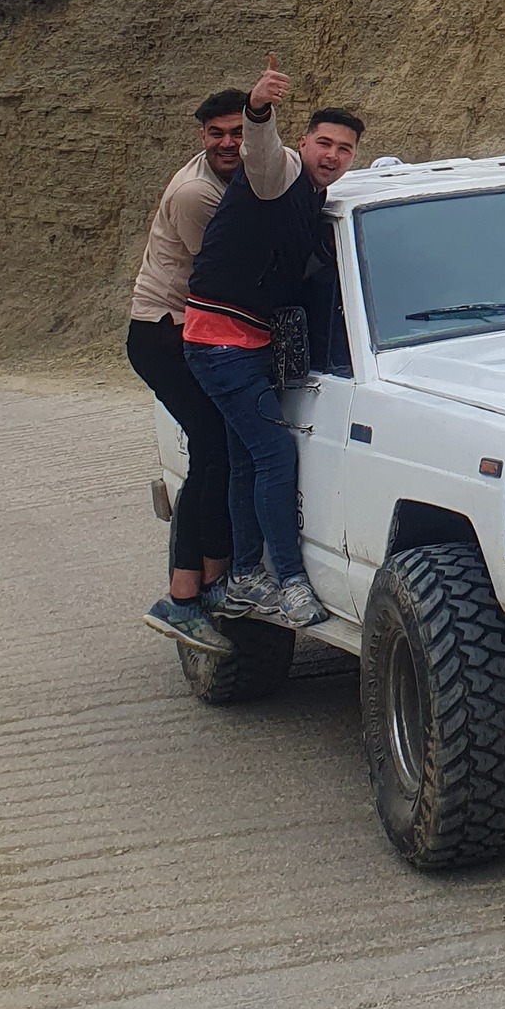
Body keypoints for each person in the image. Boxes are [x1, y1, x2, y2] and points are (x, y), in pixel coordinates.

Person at [184, 58, 363, 632]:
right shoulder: (279, 171)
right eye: (325, 143)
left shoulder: (315, 198)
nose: (332, 155)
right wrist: (259, 108)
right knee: (274, 454)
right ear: (305, 142)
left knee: (245, 462)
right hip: (220, 343)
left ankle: (242, 576)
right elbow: (262, 147)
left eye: (345, 149)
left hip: (242, 341)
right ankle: (288, 581)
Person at [126, 88, 250, 655]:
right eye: (216, 133)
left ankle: (211, 575)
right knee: (213, 449)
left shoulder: (237, 176)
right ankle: (183, 598)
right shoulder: (197, 193)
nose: (227, 143)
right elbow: (229, 274)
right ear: (202, 136)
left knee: (218, 448)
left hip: (185, 328)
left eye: (237, 133)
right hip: (164, 334)